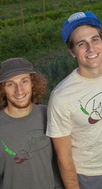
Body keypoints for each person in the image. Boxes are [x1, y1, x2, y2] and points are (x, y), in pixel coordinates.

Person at [46, 11, 102, 189]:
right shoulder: (61, 97)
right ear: (71, 52)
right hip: (88, 176)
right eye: (81, 44)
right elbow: (64, 157)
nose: (91, 48)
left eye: (95, 39)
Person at [0, 57, 63, 189]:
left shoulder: (49, 114)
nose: (19, 90)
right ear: (2, 89)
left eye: (24, 81)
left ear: (33, 83)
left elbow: (61, 161)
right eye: (10, 84)